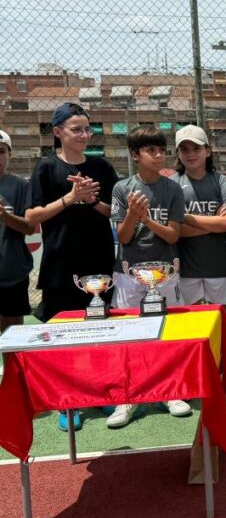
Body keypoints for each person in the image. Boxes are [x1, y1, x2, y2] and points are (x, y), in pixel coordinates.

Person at [25, 102, 118, 432]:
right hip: (61, 263)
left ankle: (99, 391)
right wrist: (70, 198)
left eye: (87, 129)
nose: (83, 135)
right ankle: (68, 401)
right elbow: (32, 217)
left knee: (100, 329)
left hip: (99, 261)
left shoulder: (102, 167)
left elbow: (114, 213)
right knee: (63, 336)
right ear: (58, 132)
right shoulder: (45, 169)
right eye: (76, 129)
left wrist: (91, 200)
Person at [106, 126, 188, 428]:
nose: (158, 155)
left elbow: (172, 236)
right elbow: (124, 237)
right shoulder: (121, 188)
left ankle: (170, 392)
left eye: (160, 149)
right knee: (129, 335)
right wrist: (132, 215)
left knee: (166, 334)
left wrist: (146, 218)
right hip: (128, 274)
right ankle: (128, 398)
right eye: (150, 150)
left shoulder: (173, 189)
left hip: (165, 273)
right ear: (135, 155)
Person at [170, 125, 226, 395]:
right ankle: (194, 376)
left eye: (196, 148)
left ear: (208, 150)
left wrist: (193, 220)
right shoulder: (173, 184)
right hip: (187, 266)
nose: (191, 153)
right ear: (178, 153)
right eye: (185, 149)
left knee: (223, 324)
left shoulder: (221, 181)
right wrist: (212, 223)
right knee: (189, 326)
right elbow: (176, 229)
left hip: (218, 264)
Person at [0, 129, 35, 332]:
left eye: (2, 151)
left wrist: (5, 216)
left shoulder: (20, 186)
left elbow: (29, 228)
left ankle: (11, 366)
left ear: (9, 154)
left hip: (12, 271)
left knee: (11, 333)